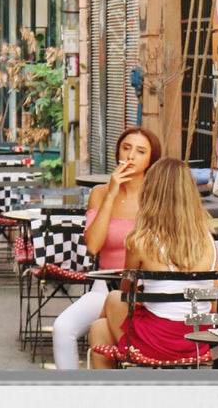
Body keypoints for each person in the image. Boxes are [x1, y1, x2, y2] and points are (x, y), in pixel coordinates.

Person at [87, 157, 216, 368]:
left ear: (150, 193)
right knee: (99, 327)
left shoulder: (140, 240)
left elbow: (128, 295)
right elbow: (213, 305)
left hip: (158, 344)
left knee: (111, 302)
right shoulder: (209, 240)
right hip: (200, 343)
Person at [50, 126, 160, 369]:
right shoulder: (99, 193)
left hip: (147, 290)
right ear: (117, 152)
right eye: (126, 148)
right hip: (105, 288)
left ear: (151, 159)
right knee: (62, 328)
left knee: (116, 342)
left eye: (141, 151)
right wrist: (111, 194)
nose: (131, 156)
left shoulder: (156, 196)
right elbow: (93, 245)